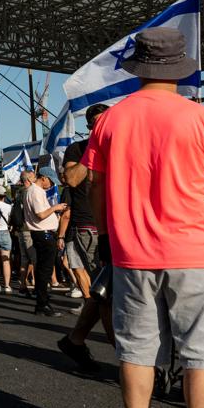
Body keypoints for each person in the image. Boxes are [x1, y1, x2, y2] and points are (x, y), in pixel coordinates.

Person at [83, 27, 204, 408]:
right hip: (199, 255)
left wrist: (106, 236)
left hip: (132, 254)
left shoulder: (108, 121)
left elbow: (95, 184)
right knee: (202, 358)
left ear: (137, 68)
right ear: (178, 69)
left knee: (137, 353)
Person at [57, 104, 115, 373]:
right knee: (106, 292)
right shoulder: (79, 149)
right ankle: (125, 354)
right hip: (90, 227)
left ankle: (75, 339)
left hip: (120, 225)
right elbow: (71, 178)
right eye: (97, 123)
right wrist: (93, 146)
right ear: (91, 126)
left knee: (102, 289)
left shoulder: (121, 144)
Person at [23, 166, 67, 316]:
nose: (53, 185)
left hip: (42, 234)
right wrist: (56, 207)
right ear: (44, 178)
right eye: (51, 181)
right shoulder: (35, 191)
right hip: (44, 234)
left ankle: (42, 301)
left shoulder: (34, 191)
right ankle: (42, 304)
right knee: (45, 270)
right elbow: (40, 214)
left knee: (43, 269)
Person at [11, 170, 37, 296]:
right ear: (29, 179)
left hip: (20, 229)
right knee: (35, 258)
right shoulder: (29, 191)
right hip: (29, 229)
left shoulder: (18, 192)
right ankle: (38, 287)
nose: (36, 179)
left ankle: (22, 285)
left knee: (24, 259)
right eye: (34, 177)